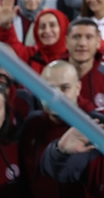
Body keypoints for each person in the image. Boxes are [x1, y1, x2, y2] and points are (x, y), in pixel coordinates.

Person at [16, 60, 86, 198]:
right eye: (49, 89)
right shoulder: (31, 125)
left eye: (64, 88)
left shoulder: (94, 129)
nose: (56, 96)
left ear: (78, 88)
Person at [0, 0, 69, 73]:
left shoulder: (73, 56)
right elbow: (11, 42)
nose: (47, 30)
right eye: (42, 27)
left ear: (63, 28)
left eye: (52, 25)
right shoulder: (30, 55)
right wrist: (6, 25)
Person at [65, 18, 104, 114]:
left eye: (89, 37)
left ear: (98, 42)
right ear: (66, 42)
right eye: (76, 37)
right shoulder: (54, 75)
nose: (82, 43)